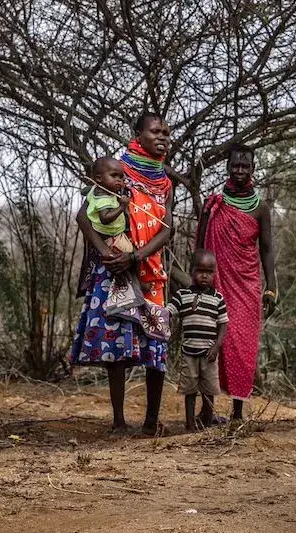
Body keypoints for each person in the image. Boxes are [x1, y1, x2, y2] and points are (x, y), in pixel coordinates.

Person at [70, 112, 176, 436]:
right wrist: (106, 253)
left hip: (148, 268)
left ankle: (150, 422)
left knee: (156, 342)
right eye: (155, 132)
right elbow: (83, 216)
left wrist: (138, 255)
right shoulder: (118, 171)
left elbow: (168, 228)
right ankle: (118, 421)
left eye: (166, 133)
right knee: (116, 343)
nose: (163, 137)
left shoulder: (165, 183)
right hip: (115, 269)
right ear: (138, 135)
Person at [196, 144, 277, 422]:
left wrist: (271, 287)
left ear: (253, 169)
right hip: (215, 282)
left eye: (246, 166)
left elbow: (266, 249)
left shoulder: (260, 209)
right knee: (207, 339)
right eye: (235, 165)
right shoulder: (214, 204)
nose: (240, 170)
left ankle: (237, 414)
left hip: (247, 284)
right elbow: (199, 247)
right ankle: (206, 411)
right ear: (228, 167)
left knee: (242, 346)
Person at [166, 249, 229, 432]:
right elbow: (169, 311)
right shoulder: (182, 296)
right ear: (192, 271)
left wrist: (217, 346)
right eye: (201, 271)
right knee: (189, 389)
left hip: (209, 353)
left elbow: (223, 324)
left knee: (209, 390)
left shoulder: (218, 299)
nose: (205, 276)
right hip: (189, 352)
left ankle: (208, 422)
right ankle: (190, 424)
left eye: (209, 272)